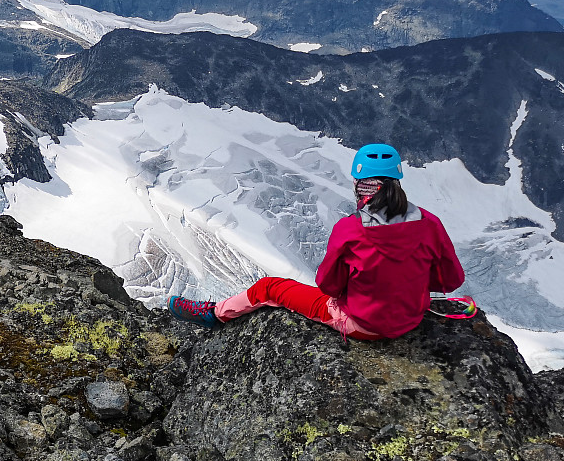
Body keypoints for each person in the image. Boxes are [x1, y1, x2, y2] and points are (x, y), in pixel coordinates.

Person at [167, 143, 465, 340]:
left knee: (270, 288)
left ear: (360, 186)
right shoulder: (429, 223)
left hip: (361, 325)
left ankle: (214, 314)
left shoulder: (351, 229)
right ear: (397, 182)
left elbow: (328, 286)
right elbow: (450, 280)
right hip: (409, 320)